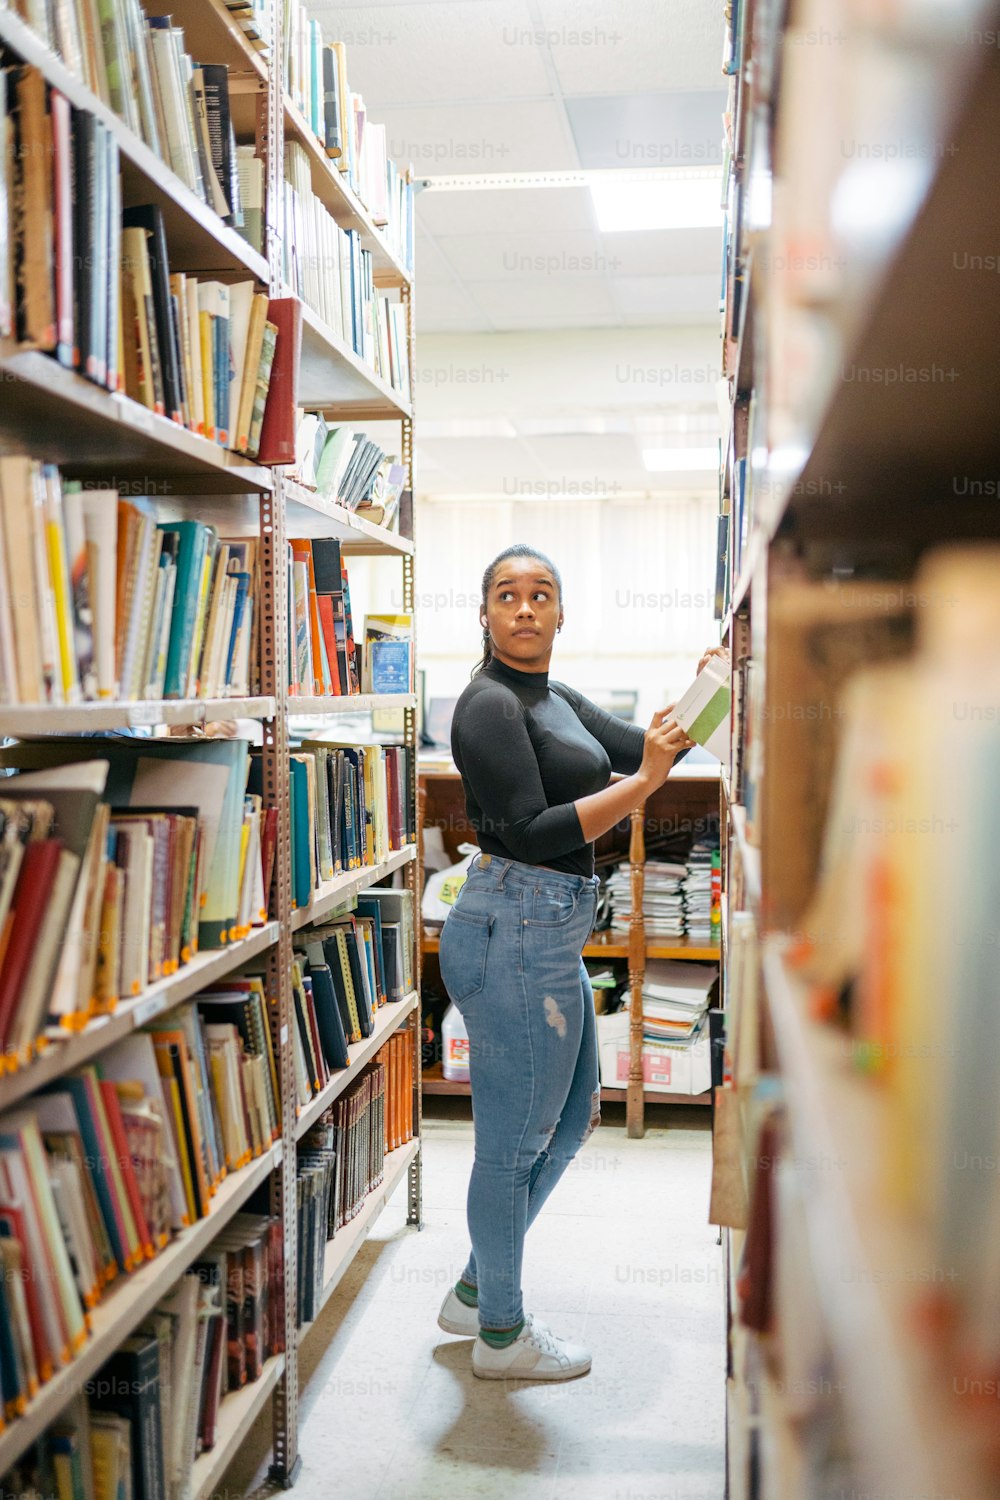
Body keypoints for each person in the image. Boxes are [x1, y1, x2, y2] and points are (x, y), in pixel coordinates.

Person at [436, 542, 722, 1381]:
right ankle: (499, 1334)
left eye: (541, 594)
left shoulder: (553, 694)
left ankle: (472, 1286)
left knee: (574, 1118)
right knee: (512, 1145)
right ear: (484, 615)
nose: (525, 609)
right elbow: (533, 830)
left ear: (562, 611)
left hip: (551, 927)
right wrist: (645, 791)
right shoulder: (487, 705)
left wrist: (716, 684)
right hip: (512, 920)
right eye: (506, 596)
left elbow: (645, 744)